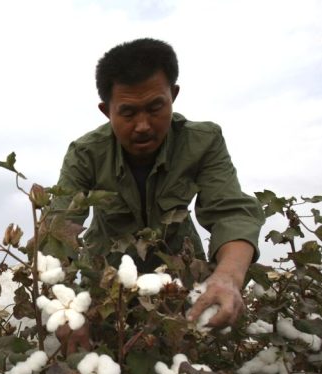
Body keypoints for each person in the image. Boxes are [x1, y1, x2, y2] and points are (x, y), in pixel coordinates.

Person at [51, 38, 264, 351]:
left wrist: (227, 277)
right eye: (128, 113)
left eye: (155, 108)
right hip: (107, 288)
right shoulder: (86, 154)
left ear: (173, 96)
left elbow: (231, 213)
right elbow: (58, 232)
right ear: (106, 111)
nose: (142, 126)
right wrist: (66, 309)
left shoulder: (203, 142)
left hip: (179, 284)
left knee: (187, 360)